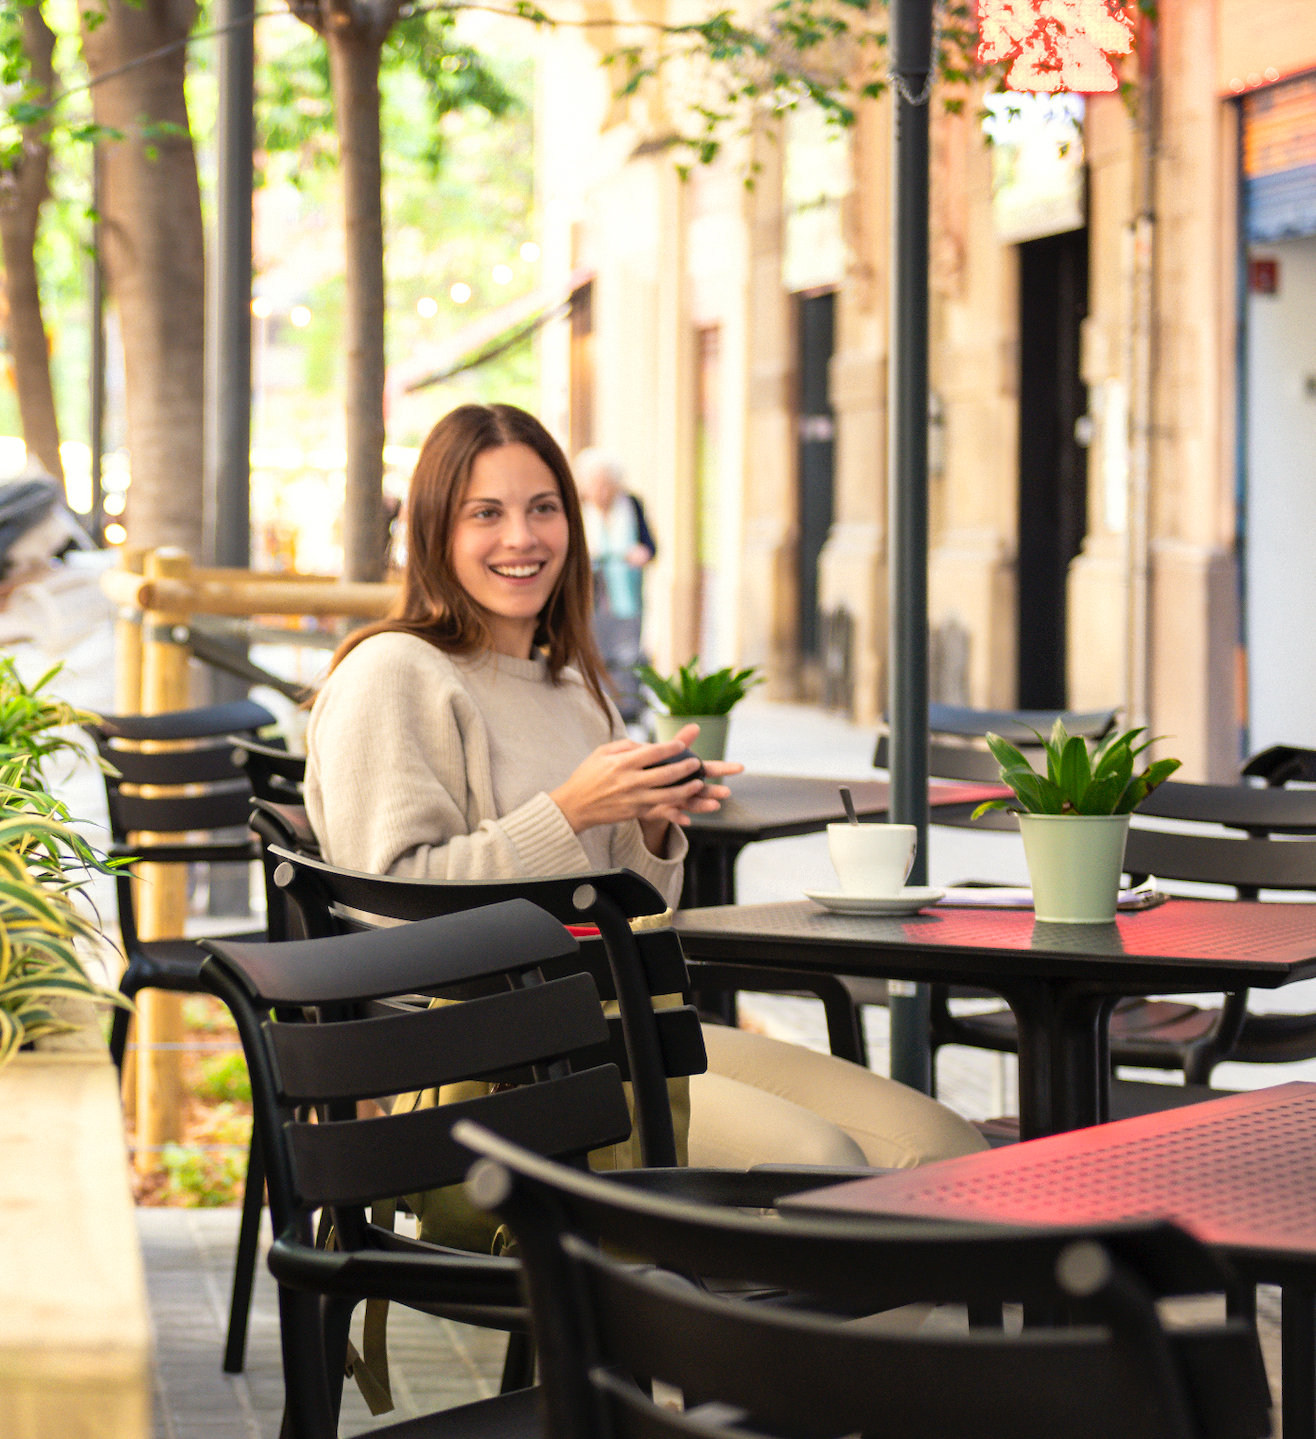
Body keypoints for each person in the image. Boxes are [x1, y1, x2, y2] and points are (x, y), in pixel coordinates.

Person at [304, 401, 984, 1172]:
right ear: (435, 533)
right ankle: (701, 1289)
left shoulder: (573, 688)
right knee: (822, 1167)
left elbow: (639, 916)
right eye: (485, 513)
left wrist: (651, 827)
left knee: (946, 1150)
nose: (522, 537)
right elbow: (388, 917)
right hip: (490, 1064)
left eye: (543, 509)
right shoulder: (392, 672)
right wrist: (567, 812)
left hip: (618, 1022)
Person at [574, 447, 656, 727]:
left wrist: (641, 553)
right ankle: (596, 708)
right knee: (594, 650)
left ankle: (626, 710)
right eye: (595, 484)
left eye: (607, 484)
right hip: (592, 593)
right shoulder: (577, 510)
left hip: (626, 594)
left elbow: (651, 546)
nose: (601, 491)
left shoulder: (631, 505)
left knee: (626, 653)